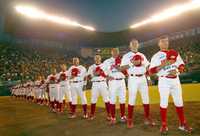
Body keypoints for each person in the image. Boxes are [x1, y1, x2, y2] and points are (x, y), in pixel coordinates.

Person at [149, 36, 192, 134]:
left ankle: (182, 124)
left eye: (166, 41)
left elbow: (181, 65)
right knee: (164, 103)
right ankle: (164, 125)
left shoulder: (174, 53)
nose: (165, 43)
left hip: (175, 80)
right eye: (162, 42)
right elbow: (151, 71)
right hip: (164, 80)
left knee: (179, 102)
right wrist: (163, 65)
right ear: (158, 44)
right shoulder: (156, 56)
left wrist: (177, 71)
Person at [121, 39, 155, 128]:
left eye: (136, 43)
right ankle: (130, 119)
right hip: (132, 79)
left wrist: (148, 77)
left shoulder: (142, 55)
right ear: (130, 46)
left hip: (143, 78)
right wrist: (132, 64)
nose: (135, 45)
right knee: (132, 99)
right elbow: (121, 68)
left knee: (146, 98)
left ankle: (147, 118)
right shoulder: (126, 56)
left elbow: (147, 67)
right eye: (133, 44)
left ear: (138, 45)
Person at [103, 48, 127, 125]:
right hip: (113, 82)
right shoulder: (107, 61)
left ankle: (123, 116)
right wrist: (107, 77)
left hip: (122, 81)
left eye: (117, 51)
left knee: (122, 99)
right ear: (111, 52)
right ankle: (113, 117)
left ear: (118, 52)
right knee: (112, 100)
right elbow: (101, 71)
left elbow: (126, 71)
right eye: (114, 51)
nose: (116, 53)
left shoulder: (123, 60)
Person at [87, 54, 110, 120]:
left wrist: (101, 73)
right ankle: (92, 114)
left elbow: (108, 75)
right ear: (94, 59)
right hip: (95, 84)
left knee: (106, 99)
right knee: (93, 99)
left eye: (98, 57)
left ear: (100, 58)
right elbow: (88, 77)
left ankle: (109, 114)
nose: (97, 59)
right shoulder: (91, 67)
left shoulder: (104, 65)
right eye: (96, 58)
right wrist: (93, 74)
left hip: (103, 83)